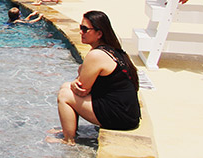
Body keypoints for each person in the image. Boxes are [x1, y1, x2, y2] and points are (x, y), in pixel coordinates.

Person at [47, 10, 140, 145]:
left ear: (99, 33)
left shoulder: (97, 55)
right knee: (65, 86)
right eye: (81, 28)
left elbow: (82, 89)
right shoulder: (111, 50)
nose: (81, 32)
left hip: (121, 118)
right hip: (128, 113)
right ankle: (71, 129)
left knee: (64, 94)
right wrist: (75, 82)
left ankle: (68, 139)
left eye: (85, 29)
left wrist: (76, 82)